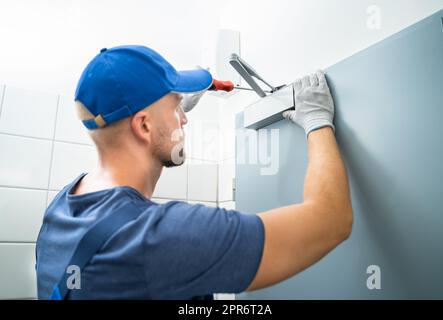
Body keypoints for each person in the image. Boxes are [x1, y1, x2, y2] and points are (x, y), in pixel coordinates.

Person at [36, 45, 353, 300]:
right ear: (143, 126)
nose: (184, 120)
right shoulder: (166, 237)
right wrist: (317, 121)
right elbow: (331, 220)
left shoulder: (62, 206)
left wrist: (166, 114)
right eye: (177, 107)